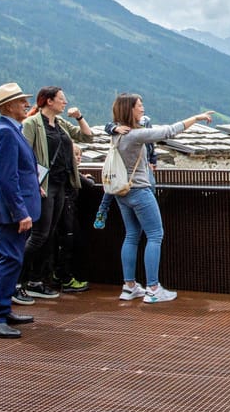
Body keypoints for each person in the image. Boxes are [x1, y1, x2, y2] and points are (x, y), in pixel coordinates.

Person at [110, 92, 213, 303]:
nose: (142, 108)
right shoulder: (135, 135)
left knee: (131, 236)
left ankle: (129, 286)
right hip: (139, 190)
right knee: (155, 235)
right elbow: (168, 131)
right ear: (130, 109)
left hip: (122, 192)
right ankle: (153, 289)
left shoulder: (116, 133)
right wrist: (196, 118)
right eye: (139, 105)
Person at [16, 86, 94, 303]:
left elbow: (87, 137)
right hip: (44, 186)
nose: (65, 103)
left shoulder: (60, 124)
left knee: (49, 235)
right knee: (40, 234)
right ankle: (16, 282)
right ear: (48, 101)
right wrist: (33, 183)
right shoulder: (32, 124)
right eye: (61, 99)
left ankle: (36, 282)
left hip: (61, 185)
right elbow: (23, 155)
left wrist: (80, 117)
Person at [0, 82, 41, 339]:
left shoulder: (8, 130)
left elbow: (19, 171)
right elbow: (6, 178)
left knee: (8, 260)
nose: (26, 105)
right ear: (8, 106)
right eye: (21, 102)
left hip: (14, 209)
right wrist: (21, 212)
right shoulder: (5, 133)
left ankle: (3, 310)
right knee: (9, 261)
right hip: (11, 213)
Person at [93, 114, 157, 229]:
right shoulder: (120, 124)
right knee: (113, 185)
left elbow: (150, 144)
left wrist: (152, 160)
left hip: (143, 164)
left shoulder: (145, 121)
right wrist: (116, 129)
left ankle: (103, 210)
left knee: (150, 185)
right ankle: (103, 210)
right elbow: (108, 127)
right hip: (123, 165)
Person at [53, 143, 94, 293]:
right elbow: (88, 184)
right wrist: (87, 179)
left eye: (80, 155)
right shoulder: (70, 170)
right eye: (76, 155)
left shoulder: (66, 170)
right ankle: (66, 278)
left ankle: (58, 274)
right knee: (69, 242)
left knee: (64, 242)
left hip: (64, 208)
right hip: (67, 209)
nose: (78, 158)